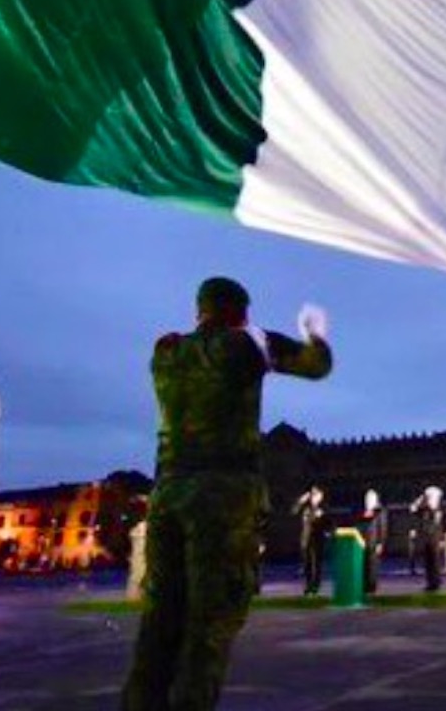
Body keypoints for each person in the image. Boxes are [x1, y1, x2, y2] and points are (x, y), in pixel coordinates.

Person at [123, 278, 332, 711]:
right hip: (221, 497)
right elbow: (316, 366)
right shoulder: (246, 343)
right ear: (241, 312)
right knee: (210, 624)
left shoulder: (166, 351)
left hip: (168, 494)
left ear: (199, 310)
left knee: (159, 624)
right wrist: (315, 332)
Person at [409, 486, 446, 592]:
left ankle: (436, 582)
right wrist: (419, 500)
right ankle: (430, 582)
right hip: (426, 536)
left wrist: (442, 538)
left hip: (435, 536)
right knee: (428, 560)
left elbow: (443, 523)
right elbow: (412, 509)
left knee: (435, 560)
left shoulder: (439, 509)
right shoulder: (423, 509)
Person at [291, 486, 328, 595]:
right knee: (307, 564)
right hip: (306, 539)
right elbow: (293, 511)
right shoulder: (306, 507)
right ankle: (308, 586)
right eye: (312, 495)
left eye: (316, 495)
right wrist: (300, 500)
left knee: (316, 564)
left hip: (317, 540)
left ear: (320, 497)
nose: (313, 497)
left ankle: (315, 586)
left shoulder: (323, 508)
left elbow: (328, 523)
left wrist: (322, 519)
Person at [356, 489, 388, 594]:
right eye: (367, 498)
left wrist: (380, 543)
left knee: (373, 565)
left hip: (374, 542)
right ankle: (364, 586)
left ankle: (372, 587)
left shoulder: (380, 511)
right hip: (362, 542)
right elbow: (358, 525)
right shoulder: (361, 511)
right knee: (364, 565)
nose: (368, 501)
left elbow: (383, 528)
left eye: (370, 498)